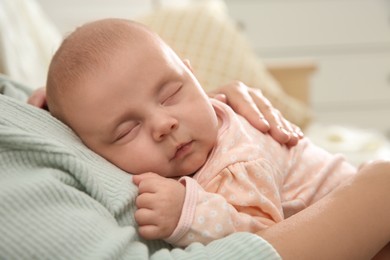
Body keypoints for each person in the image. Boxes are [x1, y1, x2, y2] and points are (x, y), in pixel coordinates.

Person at [43, 17, 390, 258]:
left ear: (195, 77)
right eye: (127, 130)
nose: (163, 123)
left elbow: (269, 241)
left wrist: (190, 212)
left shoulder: (234, 163)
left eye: (170, 94)